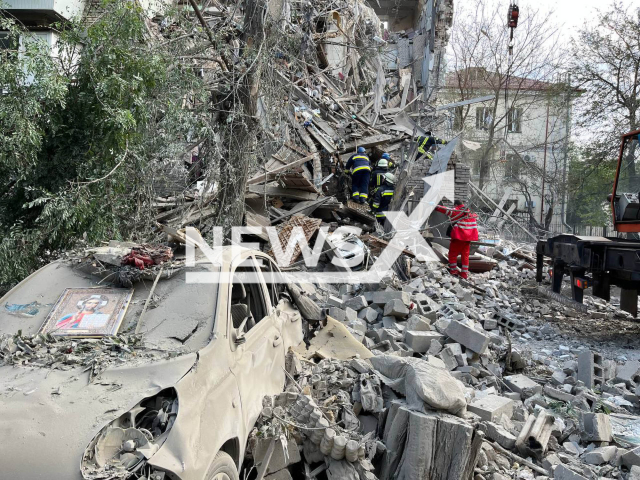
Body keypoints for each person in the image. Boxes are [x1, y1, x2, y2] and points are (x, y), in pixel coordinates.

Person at [435, 199, 478, 279]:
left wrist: (436, 206)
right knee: (465, 256)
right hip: (468, 239)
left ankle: (454, 271)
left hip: (459, 237)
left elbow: (446, 210)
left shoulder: (458, 211)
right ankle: (464, 274)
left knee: (452, 254)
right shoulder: (470, 213)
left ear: (456, 205)